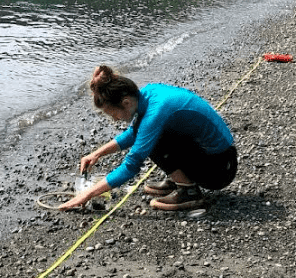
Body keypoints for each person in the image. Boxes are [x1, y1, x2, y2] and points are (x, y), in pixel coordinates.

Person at [59, 65, 237, 211]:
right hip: (217, 156)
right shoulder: (148, 94)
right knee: (150, 135)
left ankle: (188, 191)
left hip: (219, 169)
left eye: (113, 114)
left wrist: (87, 194)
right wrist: (96, 154)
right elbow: (134, 132)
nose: (115, 119)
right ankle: (181, 179)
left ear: (126, 103)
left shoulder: (156, 112)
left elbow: (131, 165)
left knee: (154, 141)